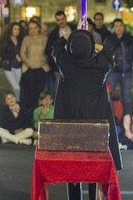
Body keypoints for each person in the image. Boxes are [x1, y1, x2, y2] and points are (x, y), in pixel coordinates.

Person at [52, 23, 122, 200]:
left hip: (71, 123)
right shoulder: (100, 66)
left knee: (73, 165)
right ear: (92, 48)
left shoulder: (65, 64)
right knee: (93, 165)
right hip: (94, 123)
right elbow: (108, 52)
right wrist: (88, 37)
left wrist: (74, 34)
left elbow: (57, 47)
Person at [105, 18, 133, 114]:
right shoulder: (109, 39)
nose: (119, 28)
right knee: (108, 94)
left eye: (120, 26)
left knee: (126, 97)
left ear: (124, 27)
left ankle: (126, 119)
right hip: (113, 72)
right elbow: (105, 54)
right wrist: (110, 63)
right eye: (116, 26)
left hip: (127, 72)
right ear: (113, 28)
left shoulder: (129, 38)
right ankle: (110, 117)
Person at [20, 20, 49, 114]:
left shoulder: (45, 39)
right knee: (29, 92)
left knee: (39, 92)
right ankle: (30, 113)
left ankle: (39, 112)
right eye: (31, 28)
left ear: (39, 28)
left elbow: (48, 53)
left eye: (35, 28)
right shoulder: (26, 39)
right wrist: (29, 63)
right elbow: (22, 53)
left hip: (41, 68)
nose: (33, 30)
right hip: (29, 69)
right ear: (28, 30)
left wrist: (44, 62)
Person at [45, 11, 75, 95]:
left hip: (74, 64)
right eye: (58, 20)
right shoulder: (53, 34)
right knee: (59, 88)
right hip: (59, 66)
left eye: (62, 19)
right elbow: (49, 50)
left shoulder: (74, 29)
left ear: (66, 19)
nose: (61, 21)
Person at [0, 22, 23, 100]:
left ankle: (13, 102)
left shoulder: (20, 40)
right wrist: (14, 55)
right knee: (16, 87)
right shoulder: (6, 40)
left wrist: (21, 57)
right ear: (11, 30)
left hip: (18, 66)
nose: (17, 31)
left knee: (16, 86)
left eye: (18, 29)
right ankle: (17, 103)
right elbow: (1, 54)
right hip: (8, 66)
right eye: (15, 29)